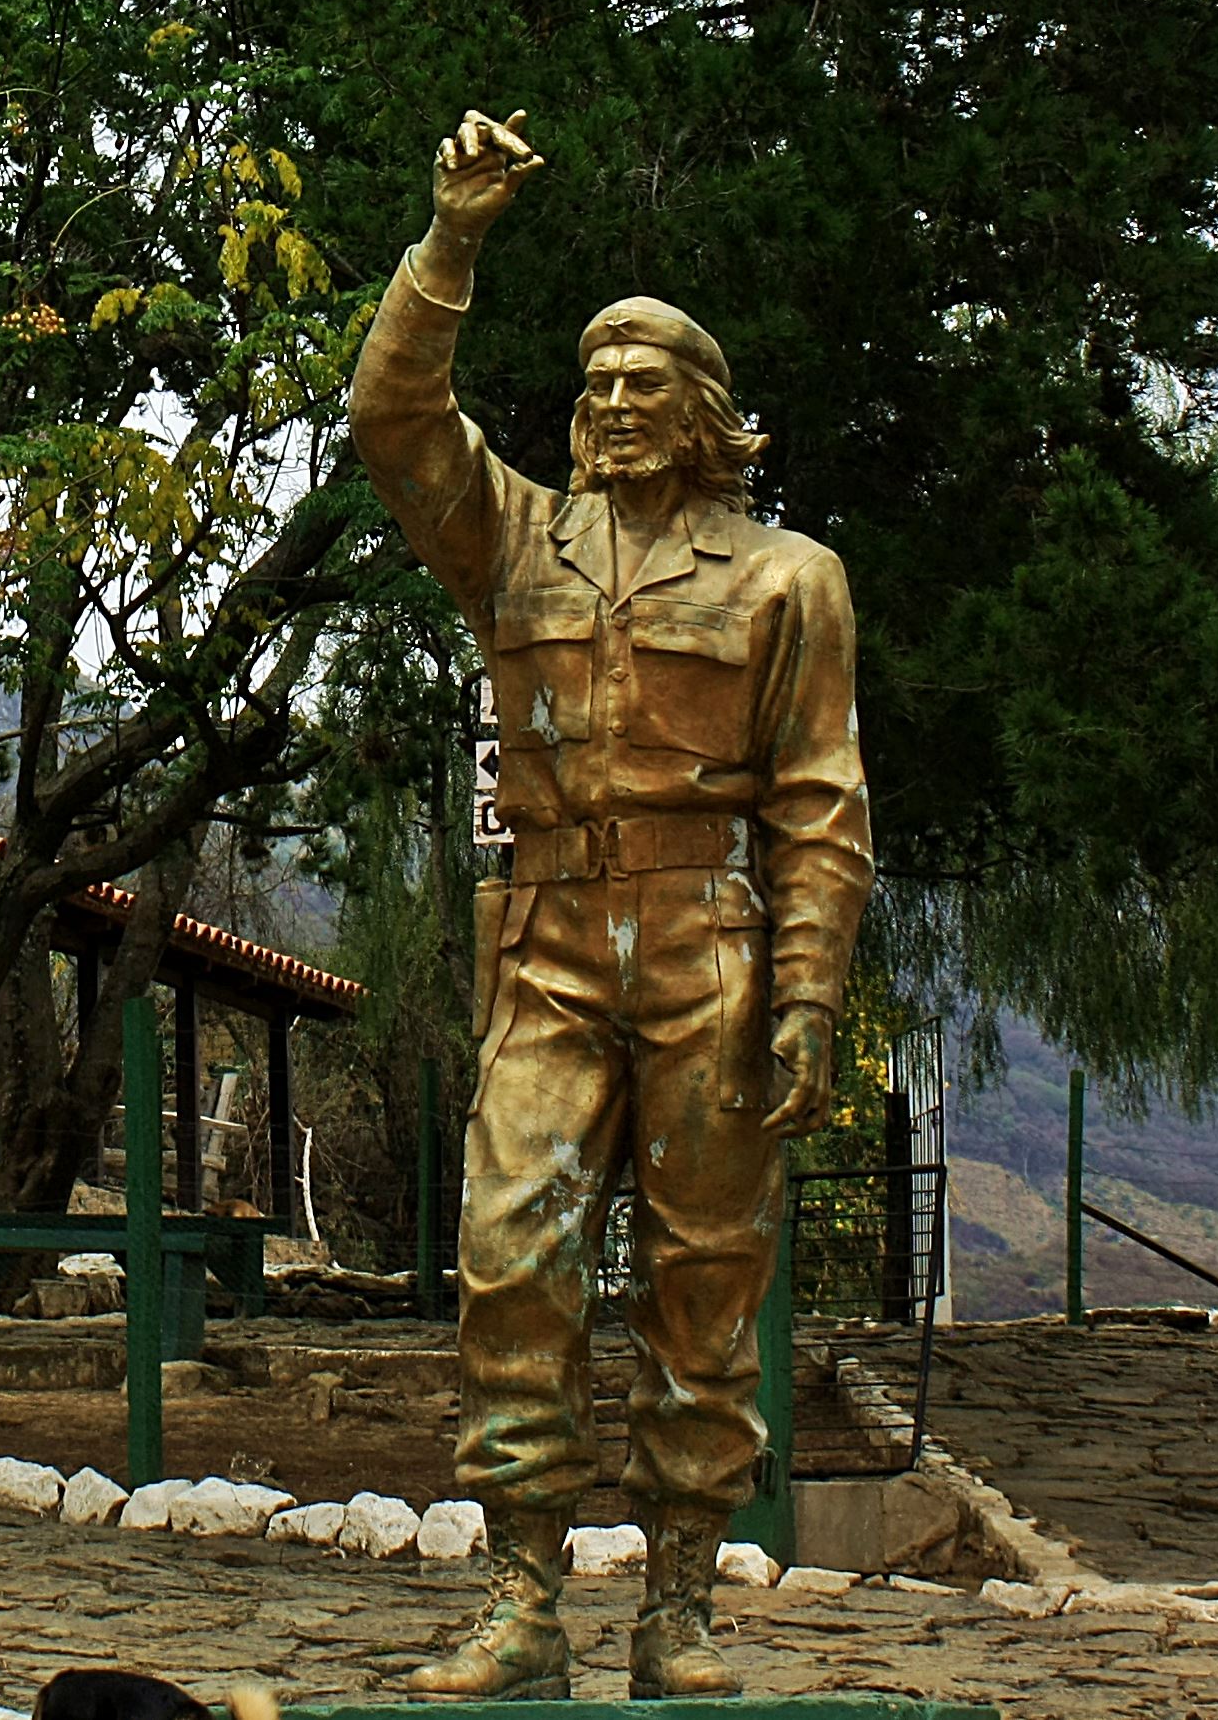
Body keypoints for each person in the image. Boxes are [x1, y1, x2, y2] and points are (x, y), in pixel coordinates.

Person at [354, 108, 872, 1700]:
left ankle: (678, 1608)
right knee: (511, 1251)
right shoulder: (514, 537)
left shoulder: (786, 577)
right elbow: (391, 416)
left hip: (707, 945)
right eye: (595, 384)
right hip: (549, 940)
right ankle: (519, 1602)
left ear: (700, 413)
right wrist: (450, 240)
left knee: (703, 1280)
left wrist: (806, 998)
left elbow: (819, 806)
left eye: (645, 383)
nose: (613, 404)